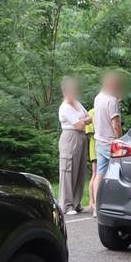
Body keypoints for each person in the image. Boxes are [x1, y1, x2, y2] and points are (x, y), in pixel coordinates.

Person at [91, 71, 124, 216]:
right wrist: (120, 141)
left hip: (99, 141)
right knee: (118, 173)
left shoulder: (98, 98)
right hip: (111, 143)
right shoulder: (111, 101)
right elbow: (115, 124)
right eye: (117, 85)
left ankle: (96, 207)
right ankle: (116, 204)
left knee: (100, 173)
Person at [57, 77, 91, 215]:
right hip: (70, 138)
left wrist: (83, 120)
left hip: (81, 137)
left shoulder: (77, 103)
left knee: (80, 170)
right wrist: (83, 120)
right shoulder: (65, 107)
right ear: (65, 90)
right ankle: (66, 205)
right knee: (68, 170)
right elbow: (79, 125)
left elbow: (89, 118)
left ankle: (76, 203)